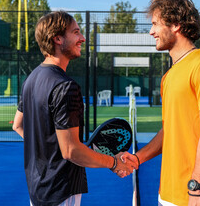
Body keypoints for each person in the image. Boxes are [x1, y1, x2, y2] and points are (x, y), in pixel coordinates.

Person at [12, 11, 137, 206]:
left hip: (38, 188)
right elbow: (71, 151)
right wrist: (114, 163)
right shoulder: (65, 86)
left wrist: (49, 150)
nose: (82, 38)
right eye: (76, 32)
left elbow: (18, 125)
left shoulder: (31, 79)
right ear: (58, 38)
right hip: (60, 189)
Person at [122, 0, 200, 206]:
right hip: (167, 193)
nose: (151, 32)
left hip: (193, 195)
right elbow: (169, 131)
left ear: (176, 25)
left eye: (155, 24)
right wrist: (138, 157)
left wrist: (196, 188)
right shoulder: (168, 76)